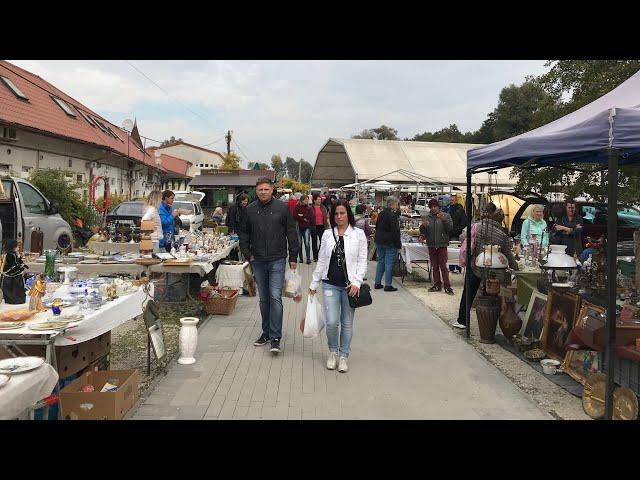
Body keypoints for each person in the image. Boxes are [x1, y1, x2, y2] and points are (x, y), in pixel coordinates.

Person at [240, 176, 299, 354]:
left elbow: (291, 231)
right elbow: (243, 234)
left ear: (272, 190)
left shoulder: (282, 208)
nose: (263, 192)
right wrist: (248, 254)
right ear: (256, 191)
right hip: (257, 260)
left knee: (275, 297)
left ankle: (275, 337)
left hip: (277, 259)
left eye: (266, 189)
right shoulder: (250, 210)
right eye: (260, 190)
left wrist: (294, 256)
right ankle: (265, 333)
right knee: (264, 299)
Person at [309, 199, 368, 373]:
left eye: (342, 213)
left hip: (350, 287)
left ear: (348, 214)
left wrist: (357, 282)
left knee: (347, 323)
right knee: (332, 322)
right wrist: (313, 283)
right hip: (329, 284)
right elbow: (321, 261)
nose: (339, 217)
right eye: (336, 214)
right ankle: (333, 352)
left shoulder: (358, 234)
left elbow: (362, 261)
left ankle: (343, 356)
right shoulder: (328, 234)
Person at [456, 204, 519, 328]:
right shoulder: (502, 235)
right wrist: (515, 266)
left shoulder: (478, 226)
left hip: (475, 264)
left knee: (468, 292)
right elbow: (507, 254)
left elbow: (464, 237)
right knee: (490, 296)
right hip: (492, 269)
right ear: (500, 221)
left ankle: (462, 320)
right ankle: (488, 324)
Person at [421, 198, 455, 295]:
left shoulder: (446, 216)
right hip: (431, 244)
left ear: (439, 207)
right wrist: (423, 227)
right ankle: (437, 285)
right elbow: (423, 231)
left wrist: (443, 219)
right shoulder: (427, 217)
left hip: (442, 244)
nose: (433, 208)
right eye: (431, 207)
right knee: (434, 266)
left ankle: (447, 286)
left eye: (435, 207)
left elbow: (450, 228)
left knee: (443, 266)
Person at [374, 196, 401, 292]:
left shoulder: (381, 213)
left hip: (379, 240)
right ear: (392, 204)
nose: (397, 206)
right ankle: (388, 284)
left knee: (381, 261)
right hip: (389, 242)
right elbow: (395, 231)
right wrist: (398, 244)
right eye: (397, 204)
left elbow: (377, 227)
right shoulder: (393, 216)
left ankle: (377, 282)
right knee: (388, 263)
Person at [0, 239, 27, 304]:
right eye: (16, 246)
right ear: (12, 247)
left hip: (15, 274)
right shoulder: (9, 255)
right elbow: (13, 266)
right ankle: (14, 299)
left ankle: (19, 298)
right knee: (14, 288)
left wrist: (21, 263)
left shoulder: (14, 254)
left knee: (18, 288)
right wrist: (20, 268)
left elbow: (18, 261)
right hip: (11, 275)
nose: (18, 248)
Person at [448, 194, 467, 274]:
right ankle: (452, 267)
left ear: (456, 201)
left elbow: (464, 222)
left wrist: (457, 230)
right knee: (450, 251)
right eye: (450, 200)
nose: (450, 202)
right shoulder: (449, 209)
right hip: (450, 234)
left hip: (456, 234)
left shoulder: (460, 210)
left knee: (457, 251)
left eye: (452, 200)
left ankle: (458, 268)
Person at [294, 195, 314, 264]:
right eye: (305, 200)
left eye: (307, 200)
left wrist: (301, 216)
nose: (307, 201)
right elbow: (295, 215)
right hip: (299, 227)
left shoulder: (309, 208)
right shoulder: (297, 207)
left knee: (307, 243)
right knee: (299, 243)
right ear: (302, 200)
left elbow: (311, 216)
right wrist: (303, 218)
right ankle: (301, 258)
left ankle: (308, 259)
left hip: (307, 227)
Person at [311, 193, 329, 262]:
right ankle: (315, 257)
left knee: (322, 241)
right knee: (314, 242)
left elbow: (326, 217)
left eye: (320, 200)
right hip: (314, 226)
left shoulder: (323, 207)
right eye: (318, 200)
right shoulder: (311, 207)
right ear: (314, 200)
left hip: (322, 226)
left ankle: (319, 254)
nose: (319, 201)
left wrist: (328, 224)